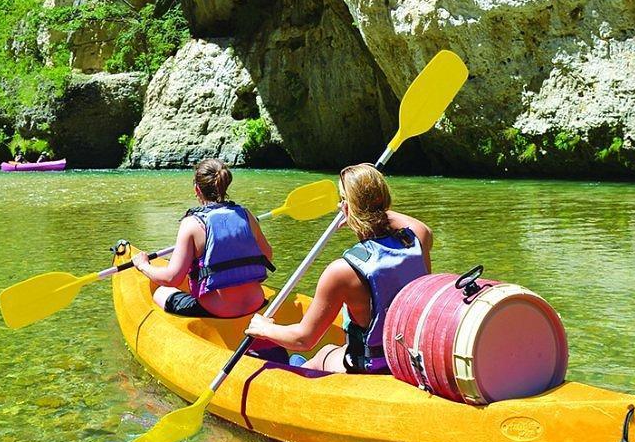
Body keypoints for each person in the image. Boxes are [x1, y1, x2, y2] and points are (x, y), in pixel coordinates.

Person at [246, 163, 431, 372]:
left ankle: (299, 369)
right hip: (408, 358)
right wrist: (369, 209)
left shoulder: (342, 272)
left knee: (323, 353)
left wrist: (264, 328)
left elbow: (303, 340)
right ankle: (300, 364)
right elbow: (416, 225)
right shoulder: (417, 240)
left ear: (347, 208)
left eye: (343, 200)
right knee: (331, 350)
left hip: (374, 366)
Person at [133, 158, 274, 318]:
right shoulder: (246, 215)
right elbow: (267, 255)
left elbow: (172, 278)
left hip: (218, 310)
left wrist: (143, 265)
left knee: (161, 292)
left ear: (197, 189)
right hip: (256, 302)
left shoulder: (191, 224)